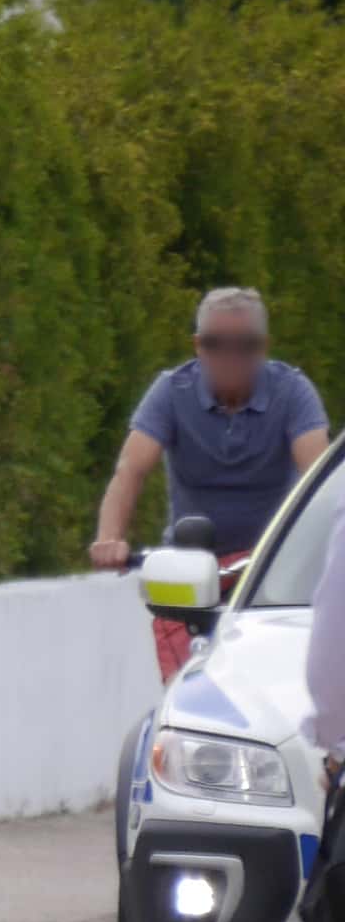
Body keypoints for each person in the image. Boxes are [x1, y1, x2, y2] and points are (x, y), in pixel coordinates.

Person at [91, 287, 329, 676]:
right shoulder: (171, 391)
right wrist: (109, 539)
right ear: (198, 346)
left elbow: (317, 477)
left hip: (270, 571)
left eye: (246, 345)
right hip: (191, 570)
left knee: (281, 675)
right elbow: (129, 471)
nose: (230, 357)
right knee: (186, 686)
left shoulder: (292, 392)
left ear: (264, 347)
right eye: (216, 344)